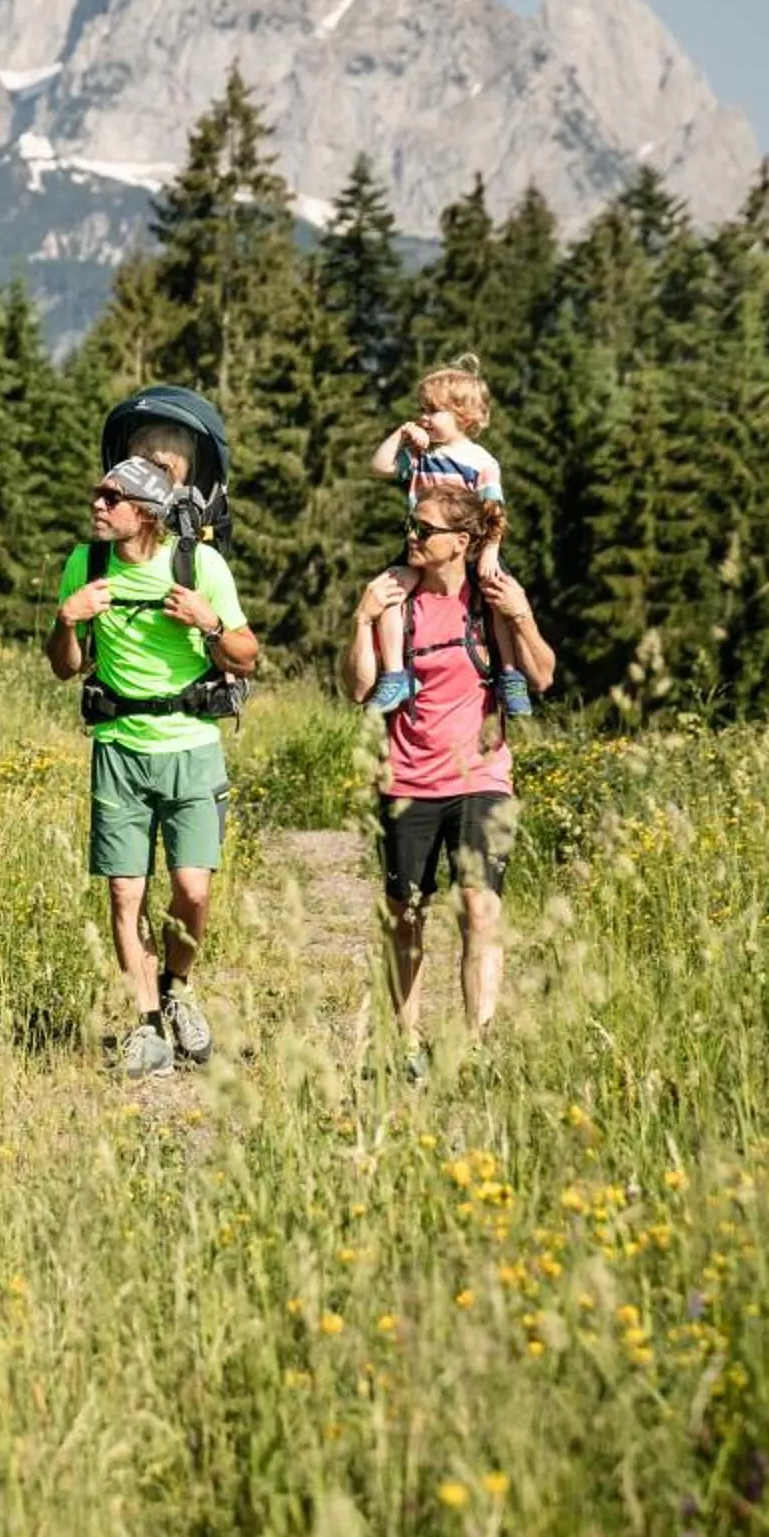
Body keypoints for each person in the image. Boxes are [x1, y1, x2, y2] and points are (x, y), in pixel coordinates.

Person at [46, 447, 261, 1078]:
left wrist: (211, 621)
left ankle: (176, 986)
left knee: (192, 891)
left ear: (144, 513)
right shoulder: (84, 565)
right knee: (124, 892)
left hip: (191, 746)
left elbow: (247, 657)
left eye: (110, 499)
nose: (97, 505)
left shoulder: (201, 564)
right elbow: (64, 666)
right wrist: (67, 619)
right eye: (98, 495)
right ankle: (146, 1027)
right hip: (118, 748)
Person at [339, 482, 559, 1077]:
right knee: (405, 909)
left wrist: (524, 616)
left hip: (484, 776)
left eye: (425, 529)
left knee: (479, 908)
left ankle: (475, 1046)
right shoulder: (393, 600)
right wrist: (362, 620)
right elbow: (358, 688)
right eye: (411, 526)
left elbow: (541, 676)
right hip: (407, 779)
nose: (412, 535)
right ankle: (407, 1044)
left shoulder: (491, 600)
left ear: (461, 542)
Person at [363, 359, 532, 721]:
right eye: (421, 410)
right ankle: (395, 674)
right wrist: (401, 435)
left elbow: (494, 512)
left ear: (463, 416)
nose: (424, 417)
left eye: (433, 411)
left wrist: (490, 552)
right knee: (391, 593)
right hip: (420, 545)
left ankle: (510, 674)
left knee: (497, 598)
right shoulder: (420, 456)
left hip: (470, 548)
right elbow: (378, 467)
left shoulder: (480, 461)